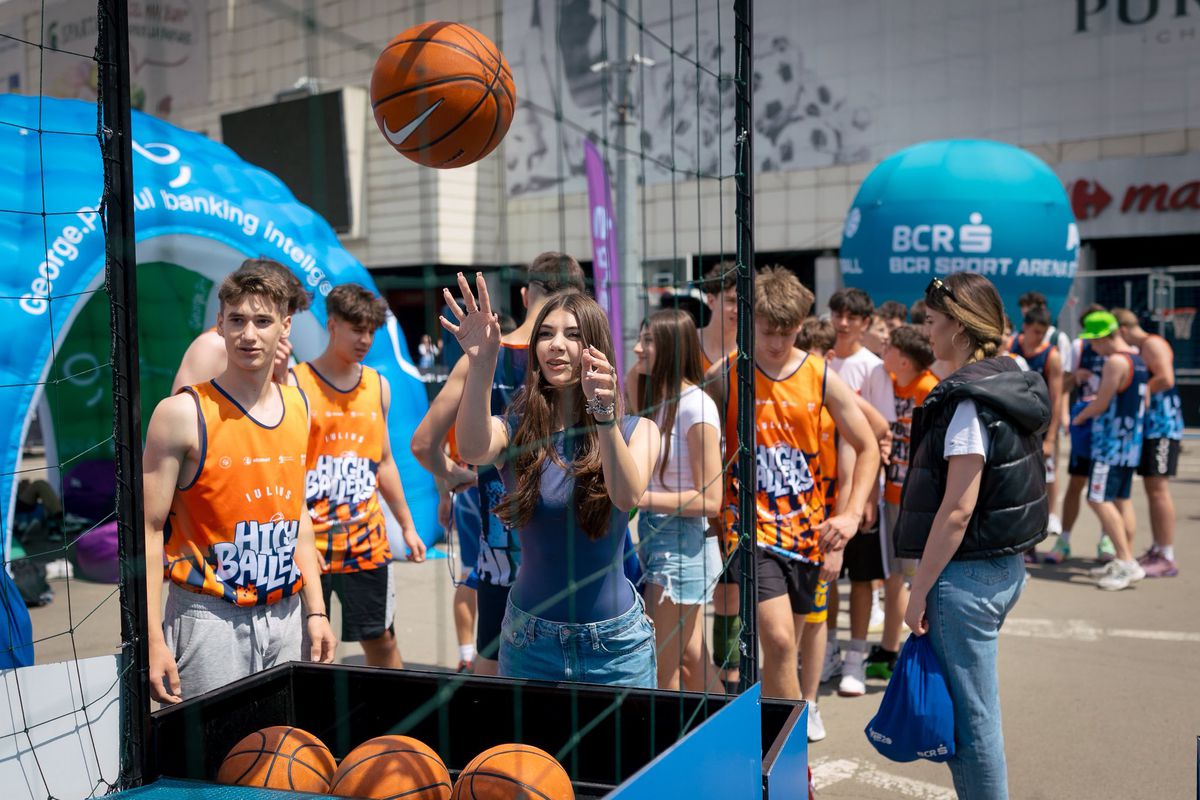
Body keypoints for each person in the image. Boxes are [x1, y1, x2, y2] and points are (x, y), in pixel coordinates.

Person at [445, 276, 662, 687]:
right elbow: (473, 449)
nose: (555, 344)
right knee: (529, 755)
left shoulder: (638, 430)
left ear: (596, 346)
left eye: (572, 334)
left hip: (615, 648)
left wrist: (604, 415)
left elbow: (626, 495)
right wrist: (480, 365)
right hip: (530, 643)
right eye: (545, 334)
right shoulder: (516, 430)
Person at [143, 262, 335, 704]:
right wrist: (153, 638)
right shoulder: (181, 414)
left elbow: (296, 515)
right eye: (237, 320)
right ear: (220, 324)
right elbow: (150, 534)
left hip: (286, 616)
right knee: (207, 766)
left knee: (282, 761)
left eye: (263, 321)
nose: (249, 334)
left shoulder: (300, 405)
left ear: (285, 326)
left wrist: (316, 610)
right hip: (208, 618)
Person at [899, 273, 1050, 800]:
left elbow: (957, 510)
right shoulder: (1014, 374)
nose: (927, 332)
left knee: (972, 725)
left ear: (960, 329)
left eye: (933, 322)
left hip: (966, 578)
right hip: (1004, 567)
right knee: (975, 713)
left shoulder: (967, 402)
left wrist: (917, 590)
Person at [712, 267, 878, 738]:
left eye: (787, 333)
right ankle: (784, 753)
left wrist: (848, 514)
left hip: (808, 533)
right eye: (768, 332)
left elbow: (868, 444)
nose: (777, 342)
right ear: (751, 321)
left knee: (797, 642)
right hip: (750, 529)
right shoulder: (729, 374)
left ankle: (780, 727)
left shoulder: (820, 375)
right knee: (780, 642)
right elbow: (686, 423)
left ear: (801, 326)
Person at [411, 253, 586, 676]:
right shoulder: (584, 358)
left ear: (526, 294)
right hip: (572, 555)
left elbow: (422, 444)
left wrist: (452, 479)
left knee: (495, 685)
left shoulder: (486, 355)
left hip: (501, 552)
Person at [291, 284, 426, 669]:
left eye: (371, 330)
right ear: (332, 325)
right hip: (309, 545)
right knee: (309, 649)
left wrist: (408, 526)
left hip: (365, 543)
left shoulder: (378, 386)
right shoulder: (295, 384)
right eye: (356, 329)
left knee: (381, 640)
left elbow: (383, 462)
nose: (365, 339)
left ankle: (394, 727)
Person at [629, 309, 724, 691]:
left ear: (671, 346)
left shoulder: (695, 407)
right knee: (691, 658)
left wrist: (641, 496)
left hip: (681, 546)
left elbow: (711, 498)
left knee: (661, 667)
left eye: (648, 340)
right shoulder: (660, 397)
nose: (638, 348)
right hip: (662, 538)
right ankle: (740, 738)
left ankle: (665, 748)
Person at [825, 287, 895, 697]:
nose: (844, 322)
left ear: (866, 322)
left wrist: (867, 495)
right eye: (839, 314)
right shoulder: (819, 362)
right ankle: (829, 648)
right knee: (828, 574)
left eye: (853, 316)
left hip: (862, 490)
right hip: (822, 485)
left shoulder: (873, 368)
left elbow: (880, 435)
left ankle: (856, 656)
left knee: (864, 578)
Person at [871, 324, 938, 681]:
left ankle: (908, 653)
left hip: (914, 502)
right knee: (895, 577)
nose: (885, 349)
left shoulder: (926, 388)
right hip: (892, 497)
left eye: (890, 346)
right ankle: (890, 648)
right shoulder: (890, 381)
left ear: (906, 359)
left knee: (912, 581)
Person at [1072, 311, 1150, 591]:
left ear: (1106, 337)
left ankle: (1127, 562)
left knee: (1097, 498)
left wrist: (1080, 417)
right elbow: (1145, 400)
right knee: (1121, 500)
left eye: (1095, 342)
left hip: (1109, 445)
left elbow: (1101, 403)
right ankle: (1124, 558)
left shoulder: (1115, 361)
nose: (1093, 348)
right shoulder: (1138, 359)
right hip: (1130, 443)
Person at [1112, 308, 1184, 577]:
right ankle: (1158, 548)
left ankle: (1166, 554)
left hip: (1162, 427)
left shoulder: (1152, 344)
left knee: (1158, 490)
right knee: (1154, 490)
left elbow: (1166, 378)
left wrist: (1141, 390)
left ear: (1122, 329)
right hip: (1152, 428)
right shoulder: (1144, 346)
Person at [171, 258, 311, 393]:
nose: (250, 335)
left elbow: (279, 412)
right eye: (263, 320)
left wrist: (281, 377)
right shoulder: (212, 346)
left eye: (264, 321)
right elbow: (178, 413)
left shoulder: (282, 355)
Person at [1046, 303, 1111, 565]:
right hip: (1085, 424)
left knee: (1110, 490)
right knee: (1076, 484)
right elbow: (1064, 383)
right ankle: (1065, 540)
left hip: (1109, 428)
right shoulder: (1080, 347)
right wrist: (1077, 378)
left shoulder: (1122, 352)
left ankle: (1108, 540)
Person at [1013, 304, 1064, 545]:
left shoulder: (1051, 356)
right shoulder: (1012, 346)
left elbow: (1056, 397)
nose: (1038, 337)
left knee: (1048, 472)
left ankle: (1051, 514)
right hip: (1018, 423)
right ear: (1025, 327)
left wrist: (1052, 438)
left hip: (1041, 424)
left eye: (1042, 333)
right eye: (1034, 331)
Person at [699, 261, 739, 372]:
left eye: (743, 302)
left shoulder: (755, 350)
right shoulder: (687, 343)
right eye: (730, 301)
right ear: (711, 301)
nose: (737, 310)